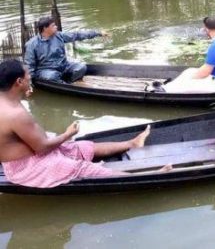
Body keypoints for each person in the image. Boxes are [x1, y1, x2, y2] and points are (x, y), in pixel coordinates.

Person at [0, 59, 171, 188]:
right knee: (81, 167)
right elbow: (42, 147)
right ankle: (146, 178)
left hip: (27, 157)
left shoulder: (8, 100)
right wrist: (67, 134)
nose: (30, 76)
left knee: (82, 147)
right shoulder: (15, 114)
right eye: (27, 74)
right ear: (19, 82)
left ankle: (132, 143)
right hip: (27, 168)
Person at [162, 16, 215, 93]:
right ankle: (166, 87)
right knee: (189, 71)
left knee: (185, 84)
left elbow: (205, 72)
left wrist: (189, 79)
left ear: (207, 29)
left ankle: (165, 91)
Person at [24, 16, 109, 84]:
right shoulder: (32, 44)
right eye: (53, 25)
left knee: (81, 67)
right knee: (52, 76)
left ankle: (70, 82)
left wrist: (98, 33)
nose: (56, 27)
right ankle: (63, 84)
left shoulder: (59, 36)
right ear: (45, 28)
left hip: (63, 66)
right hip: (46, 70)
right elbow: (29, 66)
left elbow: (77, 35)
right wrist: (30, 84)